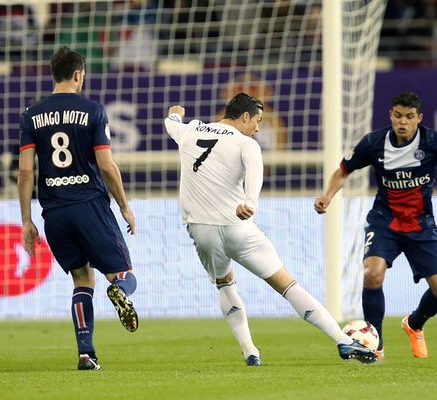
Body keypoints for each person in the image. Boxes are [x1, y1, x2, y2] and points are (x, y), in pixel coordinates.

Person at [164, 93, 377, 366]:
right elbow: (255, 172)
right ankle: (344, 342)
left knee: (225, 284)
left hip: (201, 229)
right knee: (287, 285)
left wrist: (175, 114)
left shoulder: (191, 130)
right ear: (245, 116)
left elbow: (171, 125)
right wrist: (250, 202)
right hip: (236, 226)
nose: (258, 127)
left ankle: (250, 351)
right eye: (258, 121)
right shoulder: (245, 143)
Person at [18, 46, 138, 371]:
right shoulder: (93, 111)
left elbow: (26, 171)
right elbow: (108, 166)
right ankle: (120, 292)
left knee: (82, 280)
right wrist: (125, 206)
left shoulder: (31, 115)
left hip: (54, 213)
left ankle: (86, 353)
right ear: (77, 75)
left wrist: (26, 220)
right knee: (124, 276)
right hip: (89, 206)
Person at [315, 91, 437, 360]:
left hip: (421, 225)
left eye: (409, 117)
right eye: (397, 116)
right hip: (385, 222)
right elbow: (343, 170)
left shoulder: (432, 143)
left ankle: (414, 323)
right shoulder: (374, 142)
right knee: (372, 273)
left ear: (419, 118)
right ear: (391, 115)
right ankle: (376, 344)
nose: (402, 122)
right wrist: (327, 197)